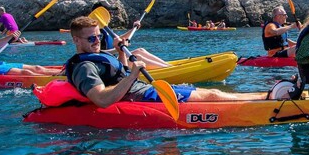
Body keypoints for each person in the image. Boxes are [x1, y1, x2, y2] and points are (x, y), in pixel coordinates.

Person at [66, 16, 266, 107]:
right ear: (76, 40)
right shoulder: (85, 67)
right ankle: (271, 101)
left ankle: (267, 95)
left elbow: (120, 74)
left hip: (144, 89)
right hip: (142, 96)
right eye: (91, 38)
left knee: (212, 93)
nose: (97, 41)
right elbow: (102, 100)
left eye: (98, 37)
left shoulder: (97, 56)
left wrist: (121, 54)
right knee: (212, 94)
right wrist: (135, 74)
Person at [91, 3, 168, 68]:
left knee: (140, 50)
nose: (110, 14)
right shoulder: (96, 33)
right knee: (138, 57)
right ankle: (167, 69)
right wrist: (118, 49)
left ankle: (168, 66)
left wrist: (133, 29)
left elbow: (119, 39)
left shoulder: (106, 29)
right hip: (108, 64)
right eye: (108, 12)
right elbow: (97, 53)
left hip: (114, 59)